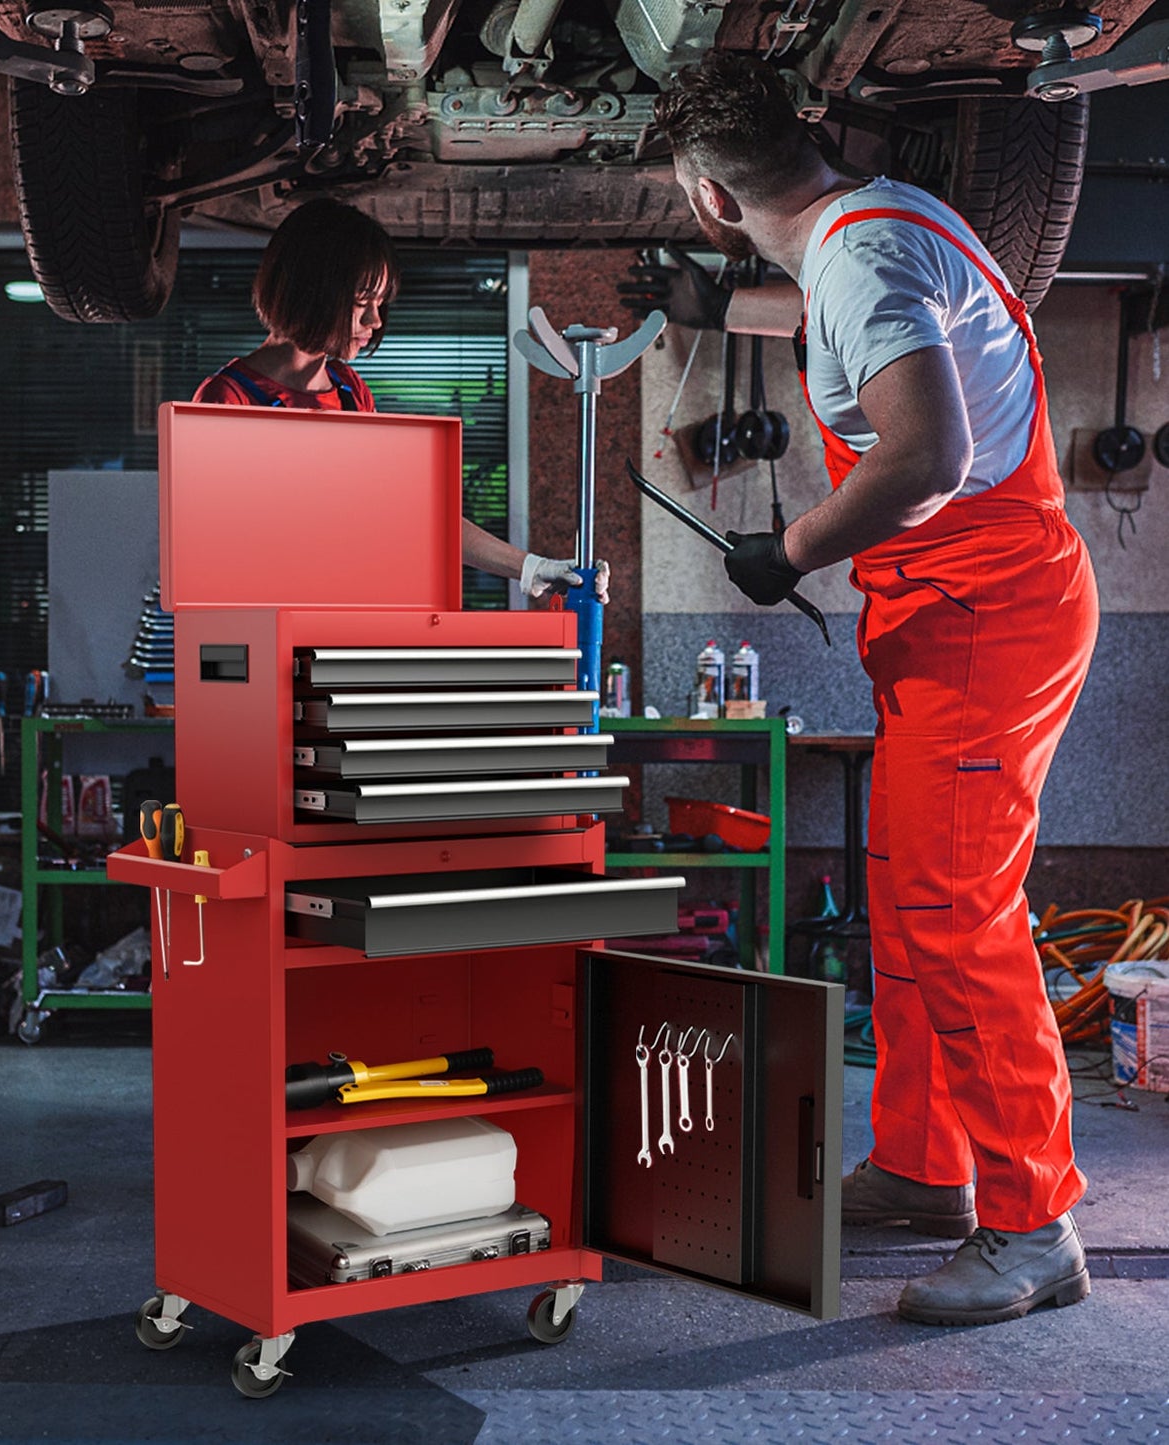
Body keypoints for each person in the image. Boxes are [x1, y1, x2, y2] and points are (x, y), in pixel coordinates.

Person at [636, 53, 1099, 1327]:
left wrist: (780, 551)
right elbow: (862, 330)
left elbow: (928, 450)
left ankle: (1029, 1220)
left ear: (707, 199)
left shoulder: (856, 264)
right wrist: (713, 309)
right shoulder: (876, 218)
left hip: (982, 616)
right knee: (905, 902)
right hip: (951, 614)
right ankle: (920, 1163)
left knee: (957, 918)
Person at [195, 197, 608, 605]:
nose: (375, 322)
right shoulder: (228, 399)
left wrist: (532, 568)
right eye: (362, 301)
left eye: (380, 304)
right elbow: (225, 556)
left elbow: (412, 514)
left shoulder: (349, 392)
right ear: (312, 289)